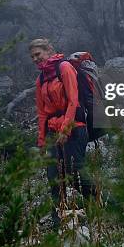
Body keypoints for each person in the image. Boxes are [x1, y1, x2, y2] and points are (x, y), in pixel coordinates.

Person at [29, 38, 92, 230]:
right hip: (52, 133)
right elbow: (42, 113)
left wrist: (66, 129)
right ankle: (59, 224)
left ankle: (108, 204)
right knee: (54, 179)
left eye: (38, 54)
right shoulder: (40, 80)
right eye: (32, 57)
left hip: (75, 127)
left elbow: (73, 101)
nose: (35, 59)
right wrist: (42, 141)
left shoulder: (64, 68)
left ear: (48, 51)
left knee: (76, 175)